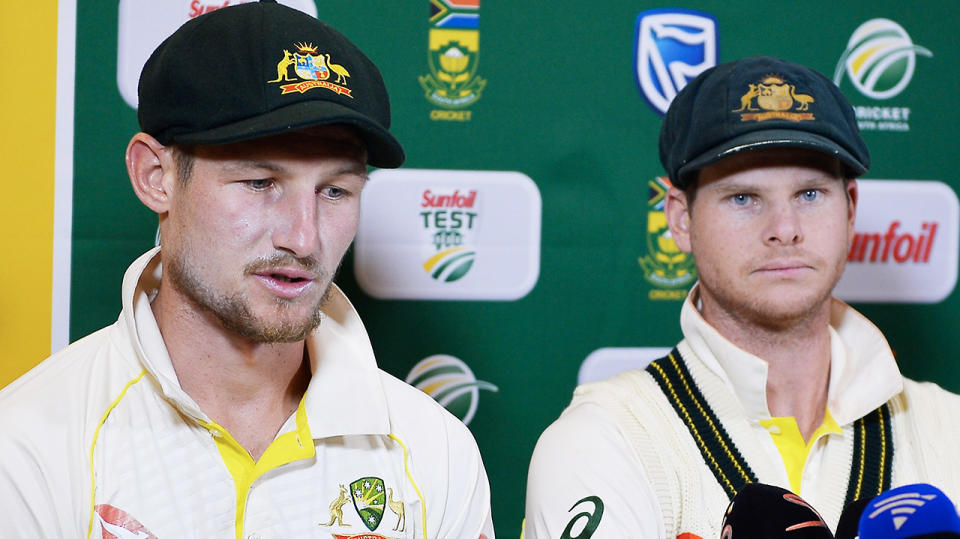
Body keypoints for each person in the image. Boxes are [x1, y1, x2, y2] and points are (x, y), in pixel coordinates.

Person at [0, 2, 494, 538]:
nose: (304, 237)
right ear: (155, 177)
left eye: (335, 191)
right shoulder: (28, 444)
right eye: (260, 182)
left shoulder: (435, 452)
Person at [524, 55, 960, 538]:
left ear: (851, 208)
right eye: (743, 198)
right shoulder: (608, 439)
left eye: (810, 194)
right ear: (680, 218)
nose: (784, 229)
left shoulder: (949, 430)